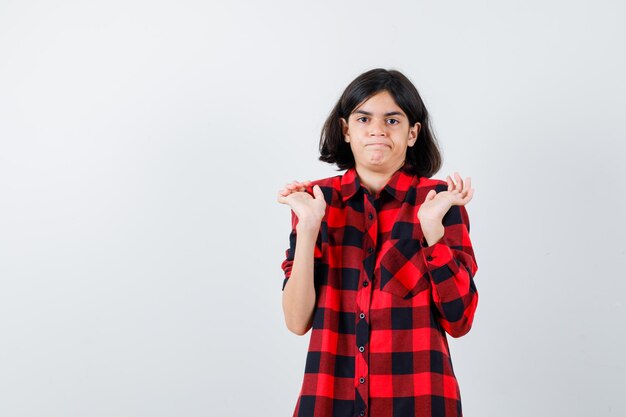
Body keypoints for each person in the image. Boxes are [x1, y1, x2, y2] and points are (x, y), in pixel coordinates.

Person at [276, 68, 478, 417]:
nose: (377, 130)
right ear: (346, 130)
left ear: (413, 133)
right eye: (364, 118)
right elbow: (297, 321)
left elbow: (459, 320)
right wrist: (309, 228)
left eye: (393, 120)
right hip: (330, 399)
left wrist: (432, 231)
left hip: (419, 402)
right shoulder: (315, 201)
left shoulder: (441, 203)